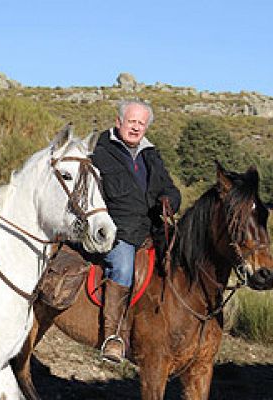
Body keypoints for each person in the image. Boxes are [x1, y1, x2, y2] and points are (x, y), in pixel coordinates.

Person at [91, 99, 181, 363]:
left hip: (153, 228)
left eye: (141, 123)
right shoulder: (99, 151)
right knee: (123, 268)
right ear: (119, 122)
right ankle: (112, 337)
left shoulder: (151, 154)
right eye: (132, 121)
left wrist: (170, 202)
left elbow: (170, 188)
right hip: (118, 230)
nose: (136, 127)